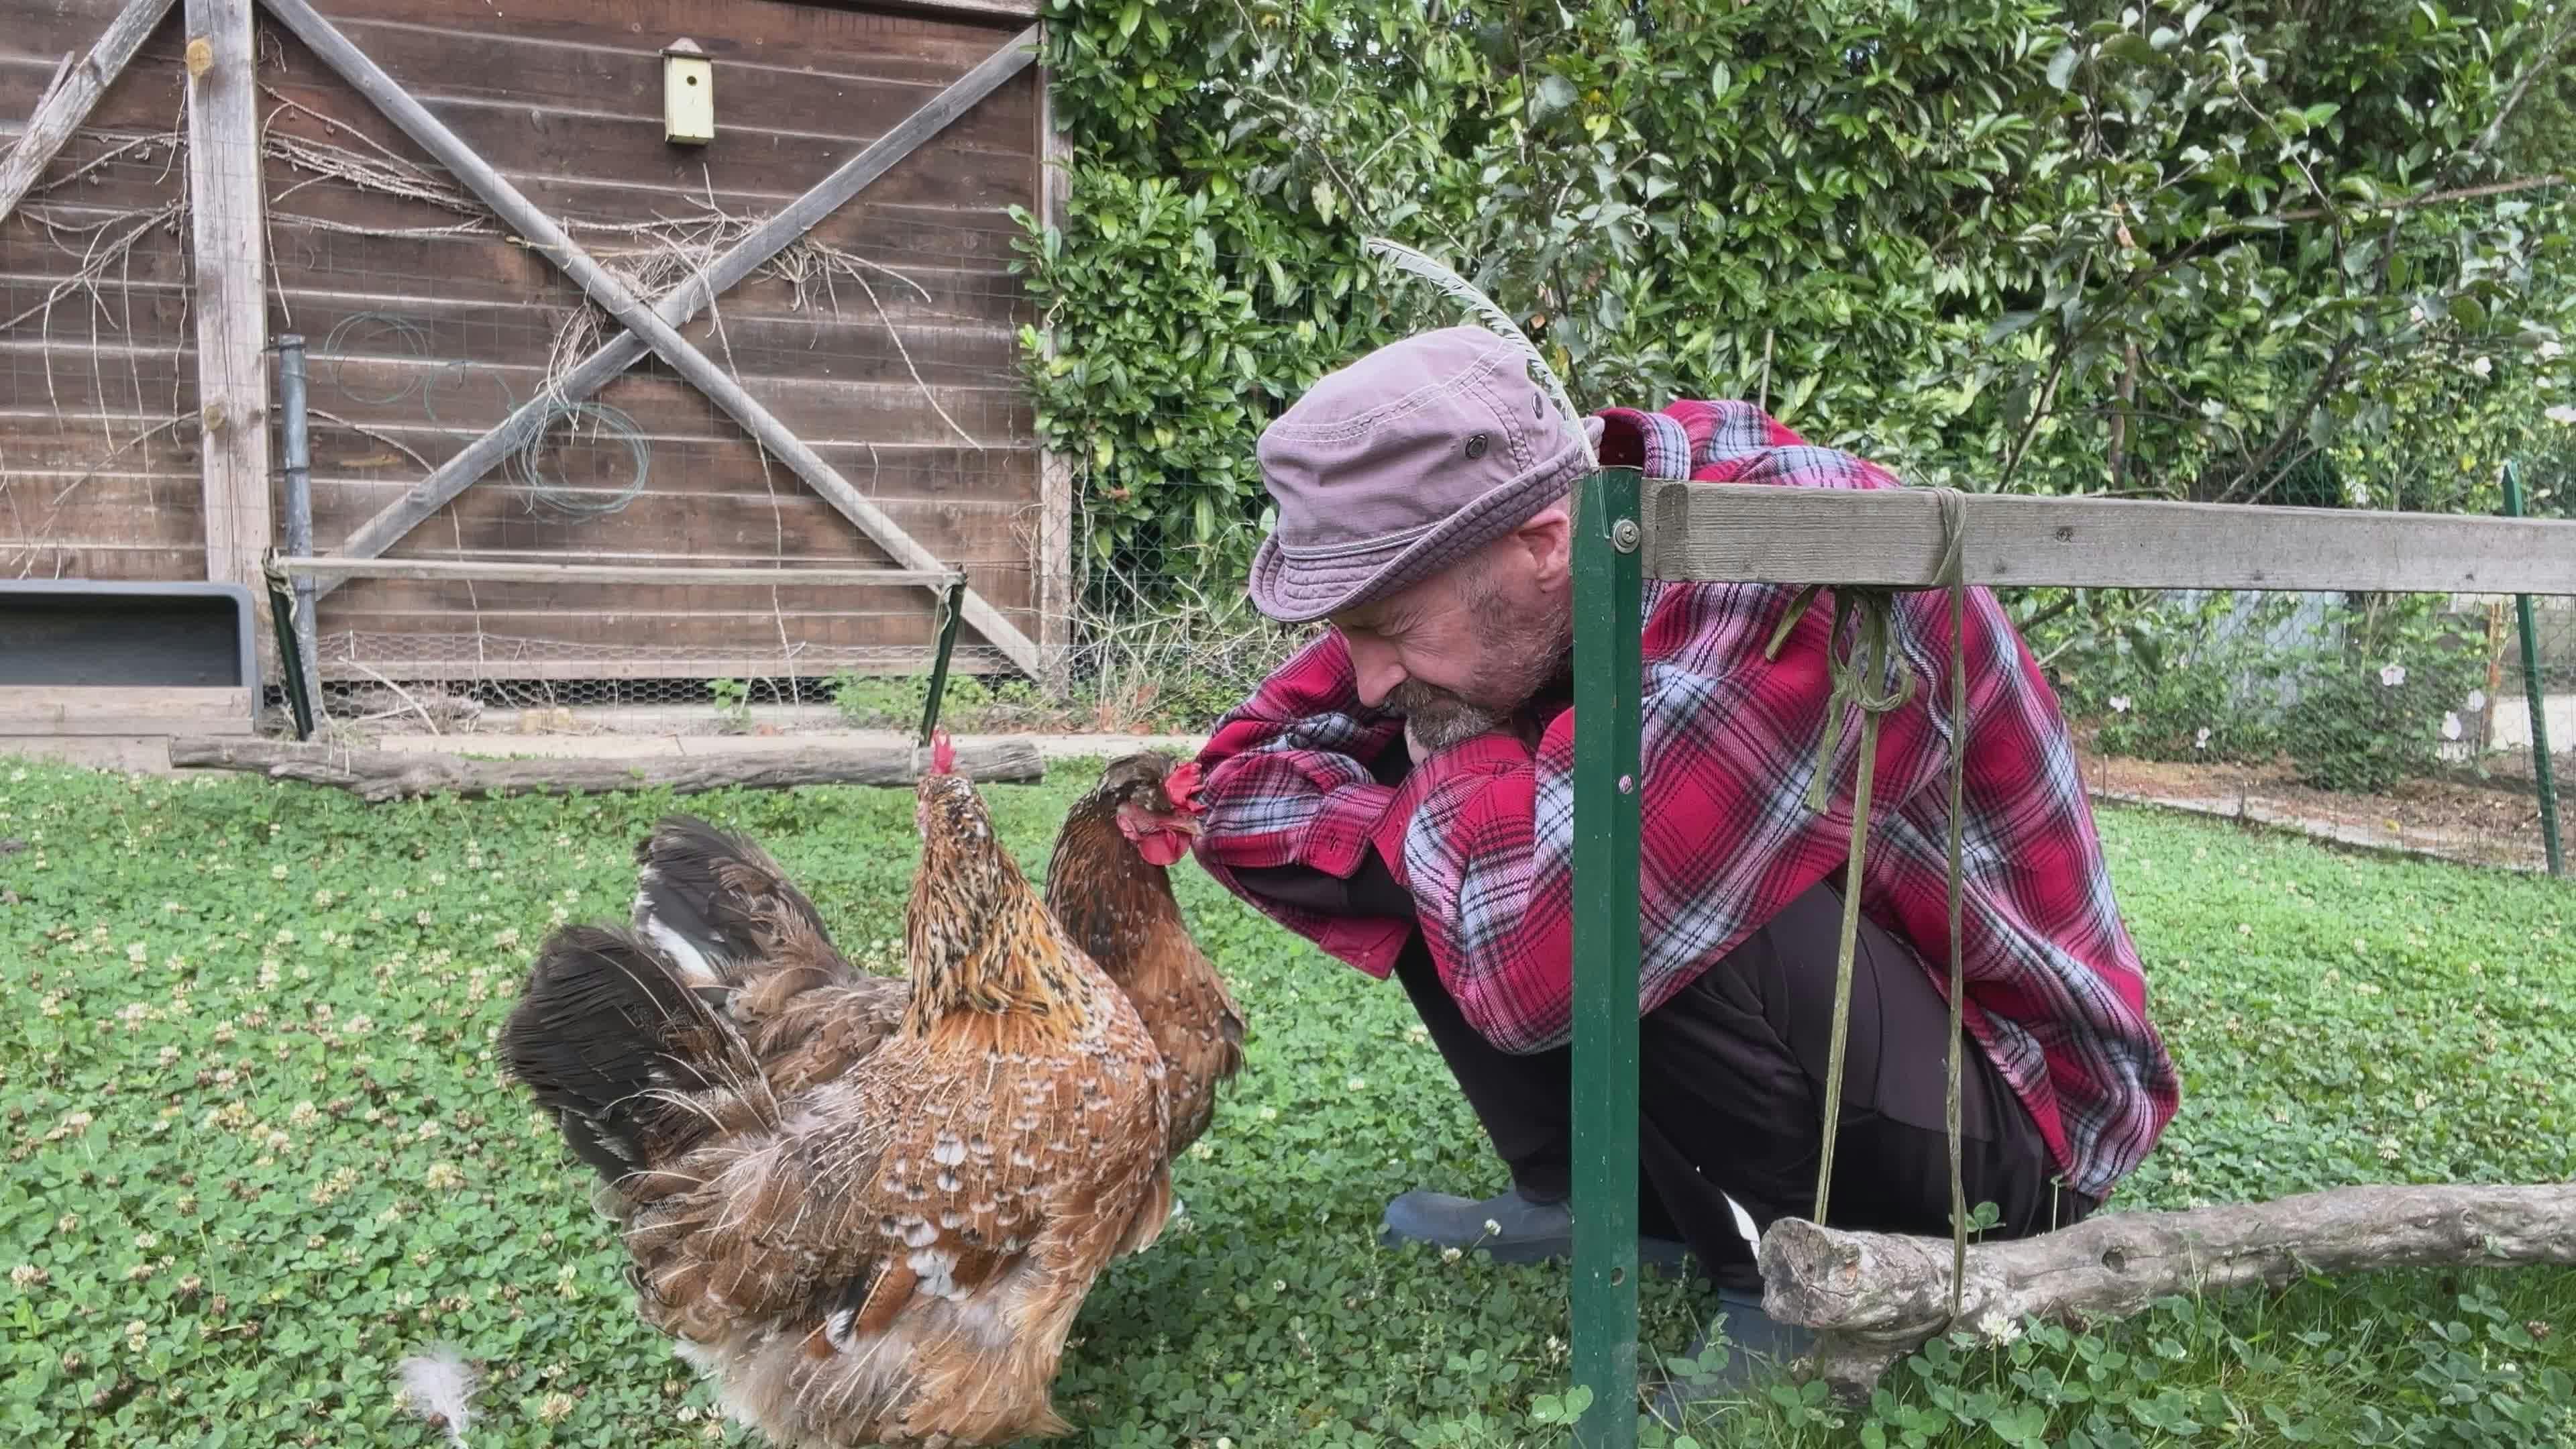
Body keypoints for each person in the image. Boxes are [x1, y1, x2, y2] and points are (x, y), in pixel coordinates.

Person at [1185, 325, 2182, 1405]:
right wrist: (1441, 810)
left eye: (1385, 628)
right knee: (1488, 826)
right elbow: (1229, 785)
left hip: (2015, 1116)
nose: (1367, 678)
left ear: (1542, 543)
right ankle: (1598, 1195)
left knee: (1595, 868)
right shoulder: (1515, 543)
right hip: (1854, 1017)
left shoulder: (1804, 578)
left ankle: (1785, 1283)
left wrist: (1465, 775)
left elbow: (1536, 964)